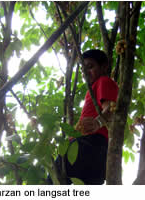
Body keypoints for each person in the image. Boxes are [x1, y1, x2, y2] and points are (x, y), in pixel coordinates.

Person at [49, 49, 119, 185]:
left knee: (52, 181)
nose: (85, 72)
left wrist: (97, 123)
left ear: (104, 67)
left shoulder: (103, 81)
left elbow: (111, 109)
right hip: (97, 153)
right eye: (82, 69)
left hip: (88, 145)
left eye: (90, 67)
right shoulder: (94, 88)